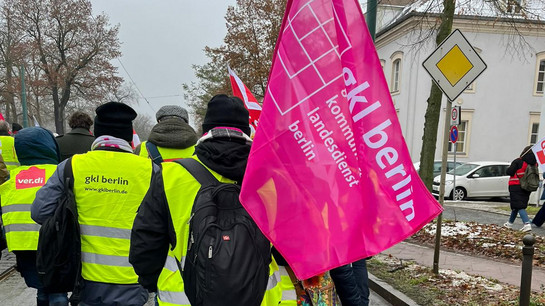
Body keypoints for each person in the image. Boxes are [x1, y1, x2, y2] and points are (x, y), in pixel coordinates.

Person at [129, 94, 292, 305]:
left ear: (205, 130)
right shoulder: (272, 178)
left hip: (182, 298)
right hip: (261, 297)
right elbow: (288, 246)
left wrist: (151, 282)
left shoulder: (170, 175)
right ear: (248, 131)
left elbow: (145, 243)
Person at [32, 102, 157, 306]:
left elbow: (40, 212)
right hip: (134, 276)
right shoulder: (151, 170)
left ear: (96, 133)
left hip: (84, 276)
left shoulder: (71, 166)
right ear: (128, 136)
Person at [0, 127, 68, 306]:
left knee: (42, 287)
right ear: (50, 147)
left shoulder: (10, 179)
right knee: (57, 290)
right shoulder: (59, 172)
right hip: (53, 244)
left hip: (21, 244)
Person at [504, 145, 537, 232]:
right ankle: (509, 223)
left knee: (519, 205)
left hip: (515, 185)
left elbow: (509, 172)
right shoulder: (534, 163)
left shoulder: (518, 161)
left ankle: (526, 224)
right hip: (527, 187)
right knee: (517, 205)